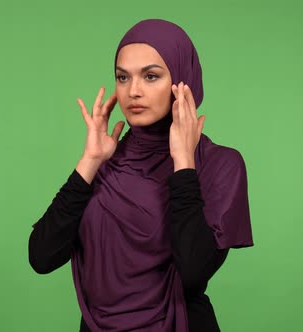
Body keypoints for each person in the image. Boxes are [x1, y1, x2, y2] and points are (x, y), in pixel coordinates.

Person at [28, 19, 254, 332]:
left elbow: (193, 272)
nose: (133, 91)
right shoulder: (106, 161)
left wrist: (184, 162)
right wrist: (89, 161)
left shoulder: (218, 164)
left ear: (182, 81)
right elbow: (42, 256)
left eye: (151, 76)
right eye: (123, 77)